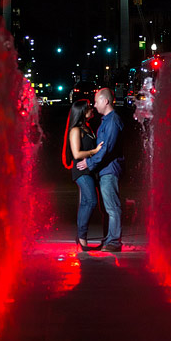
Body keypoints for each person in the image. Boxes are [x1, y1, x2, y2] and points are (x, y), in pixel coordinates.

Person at [76, 87, 124, 252]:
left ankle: (114, 242)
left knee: (112, 207)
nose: (94, 105)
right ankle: (110, 239)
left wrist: (89, 163)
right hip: (104, 170)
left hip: (109, 170)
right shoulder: (107, 121)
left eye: (96, 102)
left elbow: (106, 149)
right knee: (108, 207)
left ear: (105, 101)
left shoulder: (112, 121)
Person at [62, 100, 103, 251]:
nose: (92, 109)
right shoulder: (75, 130)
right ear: (81, 111)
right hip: (81, 170)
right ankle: (81, 237)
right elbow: (77, 153)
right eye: (89, 108)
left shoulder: (87, 128)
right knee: (91, 201)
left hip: (89, 170)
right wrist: (95, 151)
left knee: (87, 202)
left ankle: (81, 239)